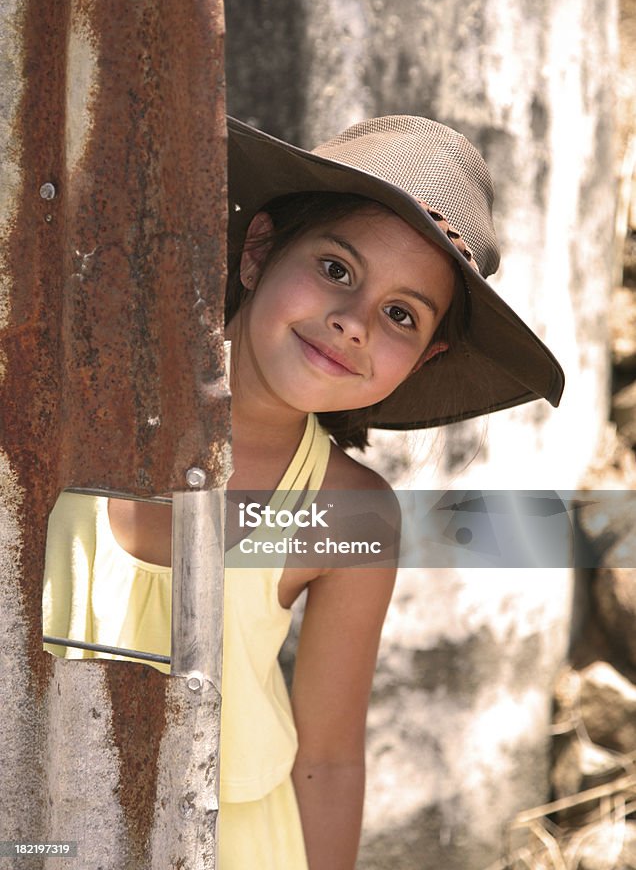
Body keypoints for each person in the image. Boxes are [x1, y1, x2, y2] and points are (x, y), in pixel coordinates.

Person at [43, 114, 564, 869]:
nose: (352, 324)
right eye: (336, 269)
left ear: (420, 361)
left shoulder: (350, 511)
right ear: (258, 251)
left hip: (237, 844)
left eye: (399, 316)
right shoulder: (72, 404)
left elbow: (328, 757)